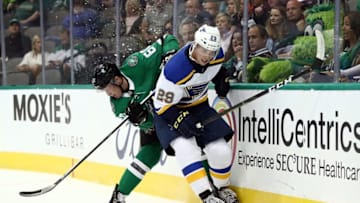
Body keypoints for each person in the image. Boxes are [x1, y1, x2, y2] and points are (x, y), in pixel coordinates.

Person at [152, 24, 238, 203]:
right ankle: (206, 196)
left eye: (211, 52)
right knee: (185, 148)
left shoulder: (217, 55)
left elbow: (211, 71)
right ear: (195, 45)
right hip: (169, 111)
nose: (207, 56)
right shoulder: (175, 70)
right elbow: (160, 105)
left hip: (199, 106)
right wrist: (179, 119)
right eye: (204, 50)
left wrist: (220, 77)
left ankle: (221, 188)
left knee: (220, 150)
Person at [91, 34, 179, 203]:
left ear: (117, 79)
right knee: (149, 154)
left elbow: (166, 39)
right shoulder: (118, 107)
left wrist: (170, 56)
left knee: (189, 146)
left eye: (106, 88)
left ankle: (211, 189)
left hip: (176, 102)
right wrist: (143, 118)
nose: (107, 93)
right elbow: (148, 125)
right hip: (158, 118)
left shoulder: (136, 63)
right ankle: (119, 195)